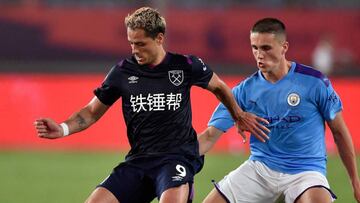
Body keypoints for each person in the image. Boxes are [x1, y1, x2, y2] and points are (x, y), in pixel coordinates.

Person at [33, 7, 269, 203]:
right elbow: (91, 113)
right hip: (139, 160)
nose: (135, 50)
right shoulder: (122, 72)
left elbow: (219, 87)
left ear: (159, 38)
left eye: (141, 44)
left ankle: (184, 186)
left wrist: (237, 114)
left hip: (176, 158)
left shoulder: (185, 65)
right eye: (131, 43)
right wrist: (62, 129)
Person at [198, 18, 360, 203]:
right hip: (260, 169)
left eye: (266, 48)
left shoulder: (314, 83)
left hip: (305, 172)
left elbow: (339, 132)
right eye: (255, 47)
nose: (259, 54)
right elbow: (210, 136)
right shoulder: (244, 90)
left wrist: (355, 182)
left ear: (284, 47)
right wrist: (172, 155)